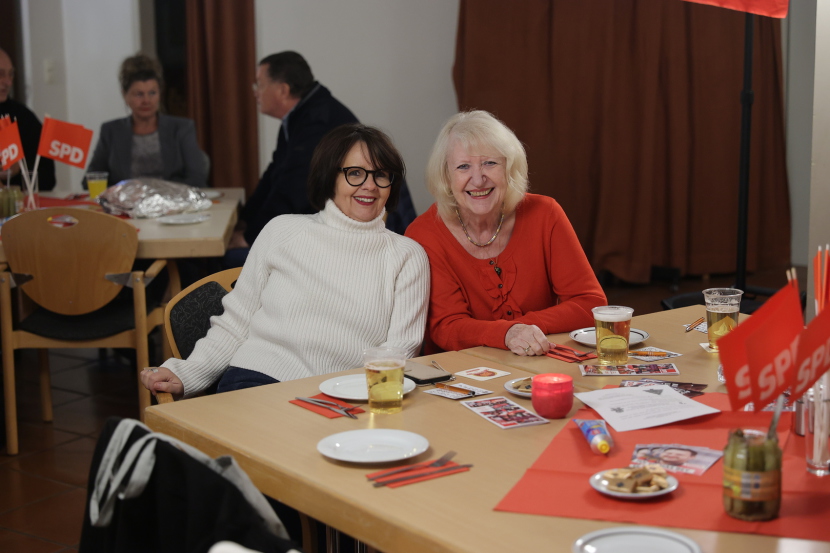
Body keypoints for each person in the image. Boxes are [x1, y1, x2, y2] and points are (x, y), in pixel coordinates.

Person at [141, 124, 429, 398]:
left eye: (381, 175)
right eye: (355, 173)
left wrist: (355, 396)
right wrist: (188, 372)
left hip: (346, 393)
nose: (370, 186)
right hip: (258, 379)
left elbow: (401, 349)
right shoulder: (282, 230)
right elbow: (236, 323)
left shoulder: (407, 256)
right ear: (329, 177)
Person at [405, 110, 606, 356]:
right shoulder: (425, 234)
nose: (478, 179)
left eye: (490, 163)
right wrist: (507, 333)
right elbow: (447, 327)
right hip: (460, 370)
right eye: (463, 166)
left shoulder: (545, 214)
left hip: (539, 362)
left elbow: (589, 303)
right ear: (446, 176)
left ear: (509, 168)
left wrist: (523, 329)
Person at [224, 51, 416, 267]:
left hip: (346, 234)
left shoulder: (316, 122)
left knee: (230, 257)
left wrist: (249, 236)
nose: (255, 92)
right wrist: (245, 221)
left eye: (259, 85)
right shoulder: (299, 116)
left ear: (283, 90)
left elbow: (291, 191)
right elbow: (273, 175)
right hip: (325, 223)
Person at [86, 54, 207, 188]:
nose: (146, 101)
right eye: (139, 94)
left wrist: (158, 193)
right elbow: (91, 179)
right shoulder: (111, 131)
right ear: (125, 95)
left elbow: (197, 178)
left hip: (171, 199)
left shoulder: (182, 128)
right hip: (126, 200)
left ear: (160, 93)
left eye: (152, 93)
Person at [0, 47, 56, 190]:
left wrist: (19, 169)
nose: (8, 82)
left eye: (11, 74)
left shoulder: (23, 116)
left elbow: (48, 177)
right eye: (1, 74)